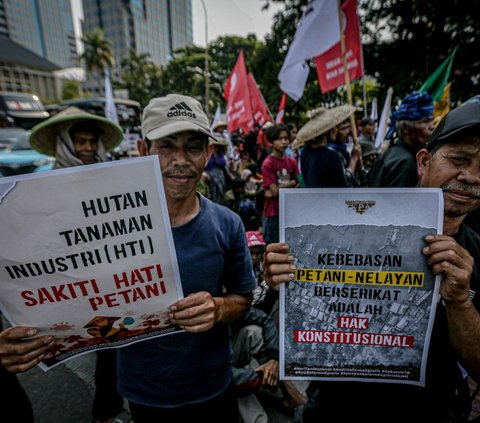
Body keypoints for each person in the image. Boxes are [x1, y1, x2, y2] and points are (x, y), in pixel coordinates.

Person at [0, 94, 256, 423]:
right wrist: (23, 340)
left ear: (207, 154)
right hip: (144, 392)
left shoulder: (228, 223)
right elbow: (55, 293)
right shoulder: (94, 229)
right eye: (166, 146)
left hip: (213, 386)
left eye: (193, 147)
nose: (180, 160)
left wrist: (219, 308)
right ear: (143, 151)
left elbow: (243, 298)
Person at [261, 98, 480, 422]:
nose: (472, 177)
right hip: (336, 409)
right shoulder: (340, 234)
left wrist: (460, 301)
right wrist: (277, 279)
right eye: (459, 159)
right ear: (423, 161)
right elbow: (280, 311)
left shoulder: (475, 253)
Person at [28, 107, 126, 423]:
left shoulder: (112, 178)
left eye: (90, 141)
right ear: (66, 145)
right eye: (79, 142)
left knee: (114, 346)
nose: (85, 149)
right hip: (70, 281)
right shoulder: (43, 187)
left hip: (110, 279)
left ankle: (109, 410)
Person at [370, 91, 435, 187]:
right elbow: (397, 201)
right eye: (425, 121)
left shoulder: (392, 152)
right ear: (405, 128)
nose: (432, 127)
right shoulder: (404, 162)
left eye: (431, 121)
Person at [293, 106, 356, 188]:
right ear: (327, 131)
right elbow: (343, 186)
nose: (336, 130)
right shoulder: (331, 156)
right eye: (334, 127)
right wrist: (353, 161)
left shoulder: (305, 152)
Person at [261, 123, 299, 244]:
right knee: (273, 248)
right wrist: (291, 184)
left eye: (286, 138)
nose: (283, 141)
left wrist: (281, 187)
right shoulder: (268, 164)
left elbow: (300, 183)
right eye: (279, 139)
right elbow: (275, 192)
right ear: (271, 143)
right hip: (273, 213)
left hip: (290, 211)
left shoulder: (292, 161)